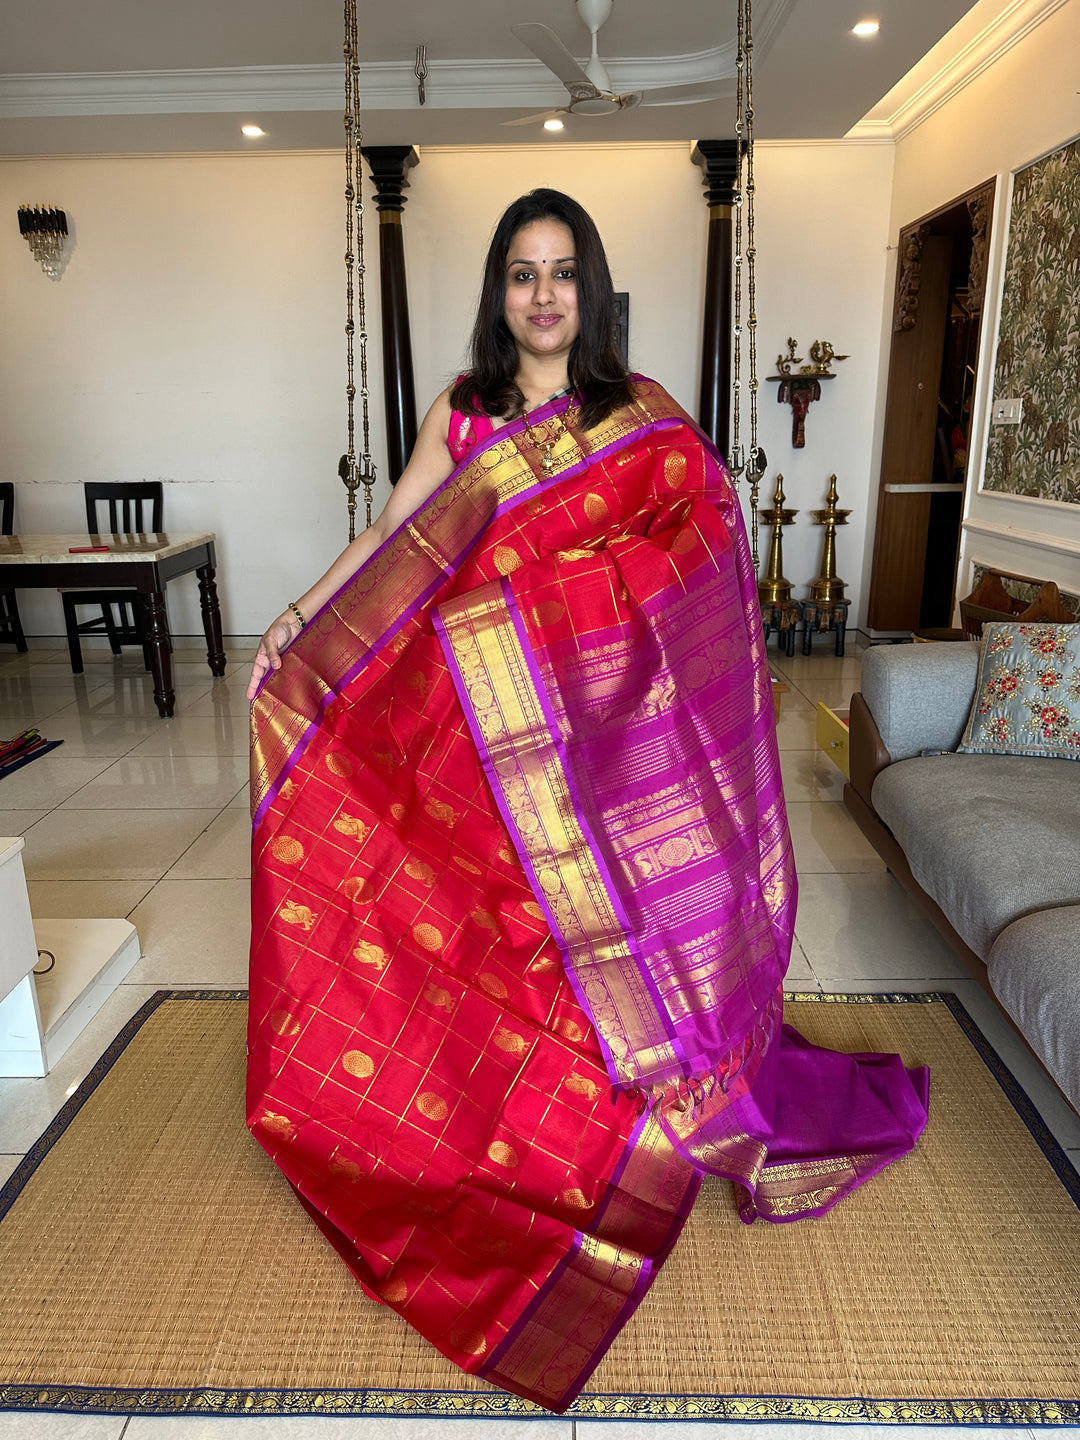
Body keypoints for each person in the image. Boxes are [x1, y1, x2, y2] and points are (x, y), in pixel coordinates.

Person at [247, 189, 928, 1414]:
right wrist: (303, 615)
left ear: (594, 290)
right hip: (494, 745)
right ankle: (512, 1112)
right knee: (505, 935)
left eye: (564, 273)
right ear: (499, 291)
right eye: (523, 273)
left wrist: (563, 606)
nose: (544, 295)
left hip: (611, 740)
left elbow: (703, 542)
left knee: (623, 923)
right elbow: (398, 531)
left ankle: (643, 1089)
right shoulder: (464, 416)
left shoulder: (638, 416)